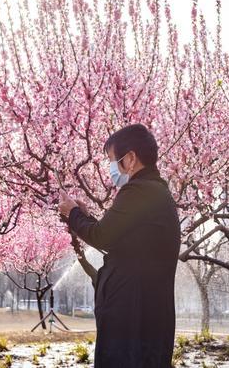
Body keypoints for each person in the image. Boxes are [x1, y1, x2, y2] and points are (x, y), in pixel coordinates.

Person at [58, 124, 180, 367]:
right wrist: (84, 217)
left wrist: (73, 214)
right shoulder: (154, 192)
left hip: (132, 319)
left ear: (131, 158)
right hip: (142, 314)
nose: (111, 169)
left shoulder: (139, 190)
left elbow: (102, 237)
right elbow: (117, 239)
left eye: (113, 160)